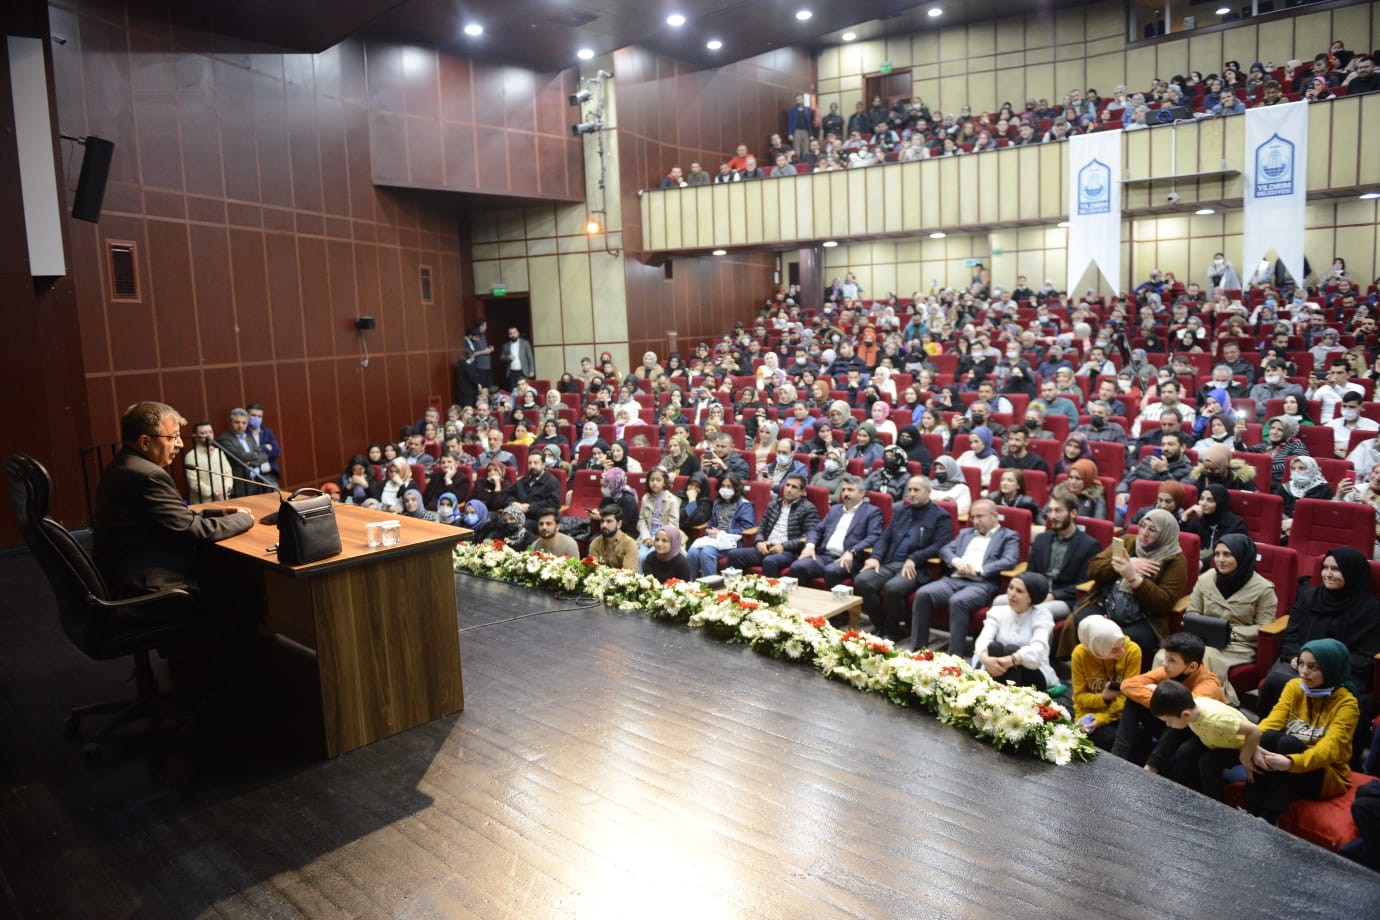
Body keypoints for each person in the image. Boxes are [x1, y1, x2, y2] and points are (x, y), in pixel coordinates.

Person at [93, 401, 255, 598]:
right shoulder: (149, 475)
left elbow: (171, 518)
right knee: (242, 585)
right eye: (173, 437)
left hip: (122, 574)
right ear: (145, 442)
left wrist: (218, 513)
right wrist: (245, 519)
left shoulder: (123, 464)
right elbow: (194, 530)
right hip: (148, 583)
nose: (180, 444)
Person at [1247, 639, 1361, 825]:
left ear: (1331, 668)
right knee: (1267, 737)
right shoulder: (1294, 686)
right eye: (1301, 664)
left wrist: (1291, 763)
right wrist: (1252, 745)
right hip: (1287, 763)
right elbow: (1272, 721)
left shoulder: (1347, 703)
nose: (1304, 672)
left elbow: (1329, 750)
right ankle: (1250, 809)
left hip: (1325, 773)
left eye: (1313, 667)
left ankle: (1269, 818)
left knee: (1287, 743)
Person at [1258, 547, 1380, 717]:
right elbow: (1291, 635)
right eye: (1325, 568)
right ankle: (1266, 733)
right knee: (1275, 681)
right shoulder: (1309, 597)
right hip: (1301, 663)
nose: (1327, 574)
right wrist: (1298, 658)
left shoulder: (1370, 609)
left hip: (1343, 671)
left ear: (1352, 573)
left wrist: (1323, 665)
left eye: (1336, 569)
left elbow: (1366, 657)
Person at [1062, 509, 1186, 661]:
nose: (1144, 533)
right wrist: (1119, 565)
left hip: (1144, 616)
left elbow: (1163, 603)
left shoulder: (1176, 560)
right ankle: (1084, 670)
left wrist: (1134, 578)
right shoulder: (1127, 541)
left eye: (1152, 529)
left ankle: (1117, 680)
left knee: (1127, 639)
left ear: (1166, 534)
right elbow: (1093, 570)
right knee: (1083, 621)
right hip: (1108, 602)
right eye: (1142, 526)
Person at [909, 499, 1020, 656]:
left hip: (982, 583)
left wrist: (979, 570)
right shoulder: (965, 533)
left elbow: (1010, 560)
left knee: (958, 601)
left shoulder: (1008, 536)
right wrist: (957, 561)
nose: (975, 521)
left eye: (980, 516)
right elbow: (945, 549)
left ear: (994, 516)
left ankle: (955, 656)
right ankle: (918, 650)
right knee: (923, 594)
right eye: (973, 517)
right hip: (954, 579)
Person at [856, 475, 952, 641]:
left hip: (917, 567)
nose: (912, 494)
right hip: (891, 562)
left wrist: (915, 558)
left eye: (916, 490)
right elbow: (885, 538)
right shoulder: (901, 511)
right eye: (910, 490)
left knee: (893, 588)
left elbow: (940, 545)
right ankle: (880, 625)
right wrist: (876, 557)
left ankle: (893, 631)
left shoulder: (941, 516)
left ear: (928, 492)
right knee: (861, 581)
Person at [1113, 632, 1226, 766]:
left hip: (1196, 733)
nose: (1164, 664)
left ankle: (1152, 767)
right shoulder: (1169, 670)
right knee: (1133, 701)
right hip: (1171, 721)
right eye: (1165, 658)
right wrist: (1161, 703)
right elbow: (1128, 685)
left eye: (1172, 660)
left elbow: (1185, 711)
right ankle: (1116, 758)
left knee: (1181, 714)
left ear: (1192, 667)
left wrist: (1164, 703)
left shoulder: (1209, 685)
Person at [1184, 533, 1277, 680]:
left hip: (1238, 645)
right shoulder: (1206, 578)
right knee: (1167, 654)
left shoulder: (1263, 588)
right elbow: (1193, 612)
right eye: (1217, 554)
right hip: (1203, 639)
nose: (1220, 560)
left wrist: (1230, 632)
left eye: (1227, 554)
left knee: (1205, 656)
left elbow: (1264, 627)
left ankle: (1199, 698)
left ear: (1242, 557)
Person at [1148, 680, 1261, 801]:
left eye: (1168, 721)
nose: (1168, 725)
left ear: (1186, 715)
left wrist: (1245, 757)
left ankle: (1215, 803)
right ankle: (1197, 793)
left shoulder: (1217, 722)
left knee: (1208, 762)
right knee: (1185, 752)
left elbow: (1254, 730)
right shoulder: (1191, 707)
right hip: (1215, 738)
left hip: (1239, 745)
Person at [789, 476, 885, 589]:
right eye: (843, 490)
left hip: (847, 558)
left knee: (831, 571)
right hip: (824, 555)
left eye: (850, 490)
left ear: (862, 493)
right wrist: (810, 545)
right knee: (797, 566)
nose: (845, 493)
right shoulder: (835, 509)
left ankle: (833, 606)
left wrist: (852, 551)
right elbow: (816, 529)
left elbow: (874, 536)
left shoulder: (872, 512)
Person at [971, 572, 1059, 692]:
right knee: (993, 647)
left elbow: (1038, 650)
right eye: (1010, 588)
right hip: (997, 668)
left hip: (1032, 672)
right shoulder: (997, 611)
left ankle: (1010, 701)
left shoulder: (1042, 616)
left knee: (1011, 649)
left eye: (1019, 591)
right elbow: (983, 639)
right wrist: (986, 659)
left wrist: (1012, 659)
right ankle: (991, 697)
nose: (1012, 594)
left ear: (1031, 597)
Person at [724, 474, 818, 577]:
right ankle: (735, 589)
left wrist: (783, 546)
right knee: (734, 555)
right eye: (787, 485)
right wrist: (759, 542)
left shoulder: (808, 508)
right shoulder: (773, 504)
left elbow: (808, 536)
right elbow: (761, 528)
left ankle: (770, 592)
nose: (789, 489)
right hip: (766, 547)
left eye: (794, 487)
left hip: (788, 551)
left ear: (802, 492)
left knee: (769, 561)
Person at [1072, 615, 1143, 751]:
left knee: (1129, 741)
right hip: (1089, 711)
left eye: (1122, 644)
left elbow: (1127, 697)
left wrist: (1101, 719)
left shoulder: (1132, 651)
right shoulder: (1080, 655)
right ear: (1097, 650)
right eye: (1114, 650)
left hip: (1121, 711)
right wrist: (1104, 698)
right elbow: (1079, 698)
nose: (1121, 653)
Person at [685, 473, 756, 577]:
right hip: (715, 539)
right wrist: (709, 531)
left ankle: (711, 587)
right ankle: (691, 584)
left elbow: (747, 528)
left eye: (729, 486)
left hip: (733, 541)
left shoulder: (745, 505)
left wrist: (723, 532)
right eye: (723, 486)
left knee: (706, 553)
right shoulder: (718, 503)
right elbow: (711, 522)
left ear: (736, 488)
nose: (725, 489)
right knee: (693, 551)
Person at [1179, 484, 1247, 571]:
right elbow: (1181, 544)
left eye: (1210, 500)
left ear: (1220, 503)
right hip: (1194, 567)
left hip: (1222, 569)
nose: (1203, 504)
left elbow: (1232, 552)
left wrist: (1203, 563)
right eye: (1201, 499)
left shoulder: (1236, 524)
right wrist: (1184, 518)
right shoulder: (1196, 520)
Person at [215, 407, 277, 495]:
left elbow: (264, 456)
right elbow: (239, 457)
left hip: (257, 481)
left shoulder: (248, 437)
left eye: (244, 423)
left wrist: (251, 462)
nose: (240, 425)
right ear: (230, 422)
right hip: (241, 484)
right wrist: (256, 453)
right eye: (237, 422)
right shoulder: (224, 439)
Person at [1276, 456, 1335, 540]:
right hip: (1283, 530)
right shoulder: (1285, 488)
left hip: (1310, 533)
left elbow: (1326, 518)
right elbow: (1276, 510)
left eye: (1301, 468)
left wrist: (1296, 523)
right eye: (1293, 468)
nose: (1296, 471)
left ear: (1311, 469)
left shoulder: (1324, 490)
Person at [635, 467, 682, 570]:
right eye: (652, 480)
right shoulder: (646, 498)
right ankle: (641, 582)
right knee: (640, 556)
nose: (654, 483)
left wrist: (655, 539)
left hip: (664, 535)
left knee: (650, 557)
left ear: (664, 482)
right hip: (648, 532)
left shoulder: (672, 500)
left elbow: (673, 525)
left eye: (658, 480)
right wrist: (646, 537)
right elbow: (642, 520)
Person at [183, 419, 235, 502]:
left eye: (210, 432)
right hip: (204, 502)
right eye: (203, 433)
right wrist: (215, 492)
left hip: (224, 498)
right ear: (195, 437)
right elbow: (194, 482)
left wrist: (226, 488)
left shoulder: (218, 452)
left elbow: (228, 472)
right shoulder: (191, 456)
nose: (208, 435)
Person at [589, 502, 638, 570]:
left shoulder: (629, 544)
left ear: (619, 524)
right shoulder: (595, 543)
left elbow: (628, 575)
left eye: (609, 521)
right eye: (602, 521)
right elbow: (592, 571)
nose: (604, 525)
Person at [245, 403, 281, 480]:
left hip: (269, 474)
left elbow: (276, 452)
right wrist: (264, 447)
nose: (256, 419)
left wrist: (256, 452)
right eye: (253, 415)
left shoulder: (267, 432)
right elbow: (247, 455)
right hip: (252, 476)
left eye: (259, 416)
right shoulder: (243, 434)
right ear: (247, 416)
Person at [600, 467, 639, 538]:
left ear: (614, 484)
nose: (603, 489)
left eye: (605, 486)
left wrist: (600, 517)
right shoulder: (607, 498)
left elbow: (624, 524)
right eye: (602, 486)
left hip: (626, 534)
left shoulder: (628, 500)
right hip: (608, 530)